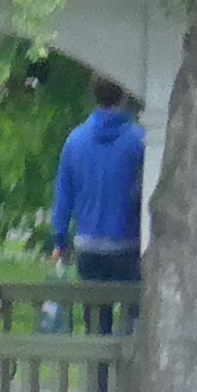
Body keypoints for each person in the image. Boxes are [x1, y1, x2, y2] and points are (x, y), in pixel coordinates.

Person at [49, 78, 146, 304]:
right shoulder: (139, 141)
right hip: (128, 243)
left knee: (95, 318)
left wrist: (60, 240)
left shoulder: (75, 141)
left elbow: (64, 196)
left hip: (88, 245)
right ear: (125, 94)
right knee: (132, 315)